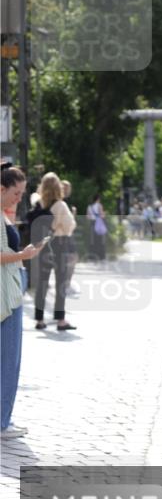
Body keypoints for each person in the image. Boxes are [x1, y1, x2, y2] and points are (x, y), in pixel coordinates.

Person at [2, 166, 42, 438]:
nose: (19, 198)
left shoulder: (4, 216)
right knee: (9, 360)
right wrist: (23, 256)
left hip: (10, 292)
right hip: (7, 297)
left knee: (7, 359)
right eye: (16, 193)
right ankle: (2, 422)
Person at [28, 173, 77, 330]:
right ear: (58, 187)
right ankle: (60, 320)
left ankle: (39, 319)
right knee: (60, 282)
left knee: (42, 282)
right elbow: (69, 226)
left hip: (44, 244)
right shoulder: (60, 205)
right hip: (59, 244)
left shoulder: (38, 203)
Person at [86, 193, 107, 262]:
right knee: (100, 241)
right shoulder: (99, 206)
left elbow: (87, 217)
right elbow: (102, 215)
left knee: (92, 241)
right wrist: (104, 214)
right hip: (98, 224)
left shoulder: (89, 207)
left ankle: (91, 257)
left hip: (92, 224)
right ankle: (101, 257)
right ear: (98, 199)